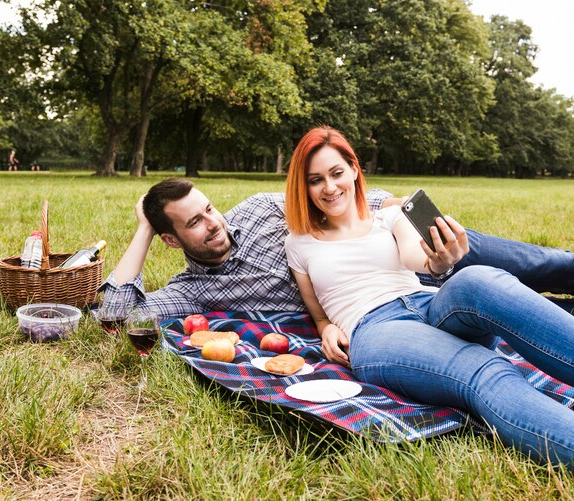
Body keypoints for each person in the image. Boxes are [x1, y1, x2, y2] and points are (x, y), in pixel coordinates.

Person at [283, 126, 574, 468]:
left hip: (427, 302)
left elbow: (416, 258)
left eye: (336, 173)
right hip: (377, 330)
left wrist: (440, 260)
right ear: (304, 187)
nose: (330, 188)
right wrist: (326, 328)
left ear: (354, 170)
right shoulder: (299, 243)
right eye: (316, 180)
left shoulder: (389, 216)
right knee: (485, 368)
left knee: (479, 278)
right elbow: (319, 313)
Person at [100, 178, 574, 319]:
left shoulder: (263, 208)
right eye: (195, 223)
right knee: (538, 311)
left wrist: (411, 215)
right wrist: (141, 228)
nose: (212, 223)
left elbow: (353, 201)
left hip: (412, 248)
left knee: (545, 264)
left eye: (210, 209)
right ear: (170, 239)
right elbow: (116, 313)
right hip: (402, 300)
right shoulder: (195, 291)